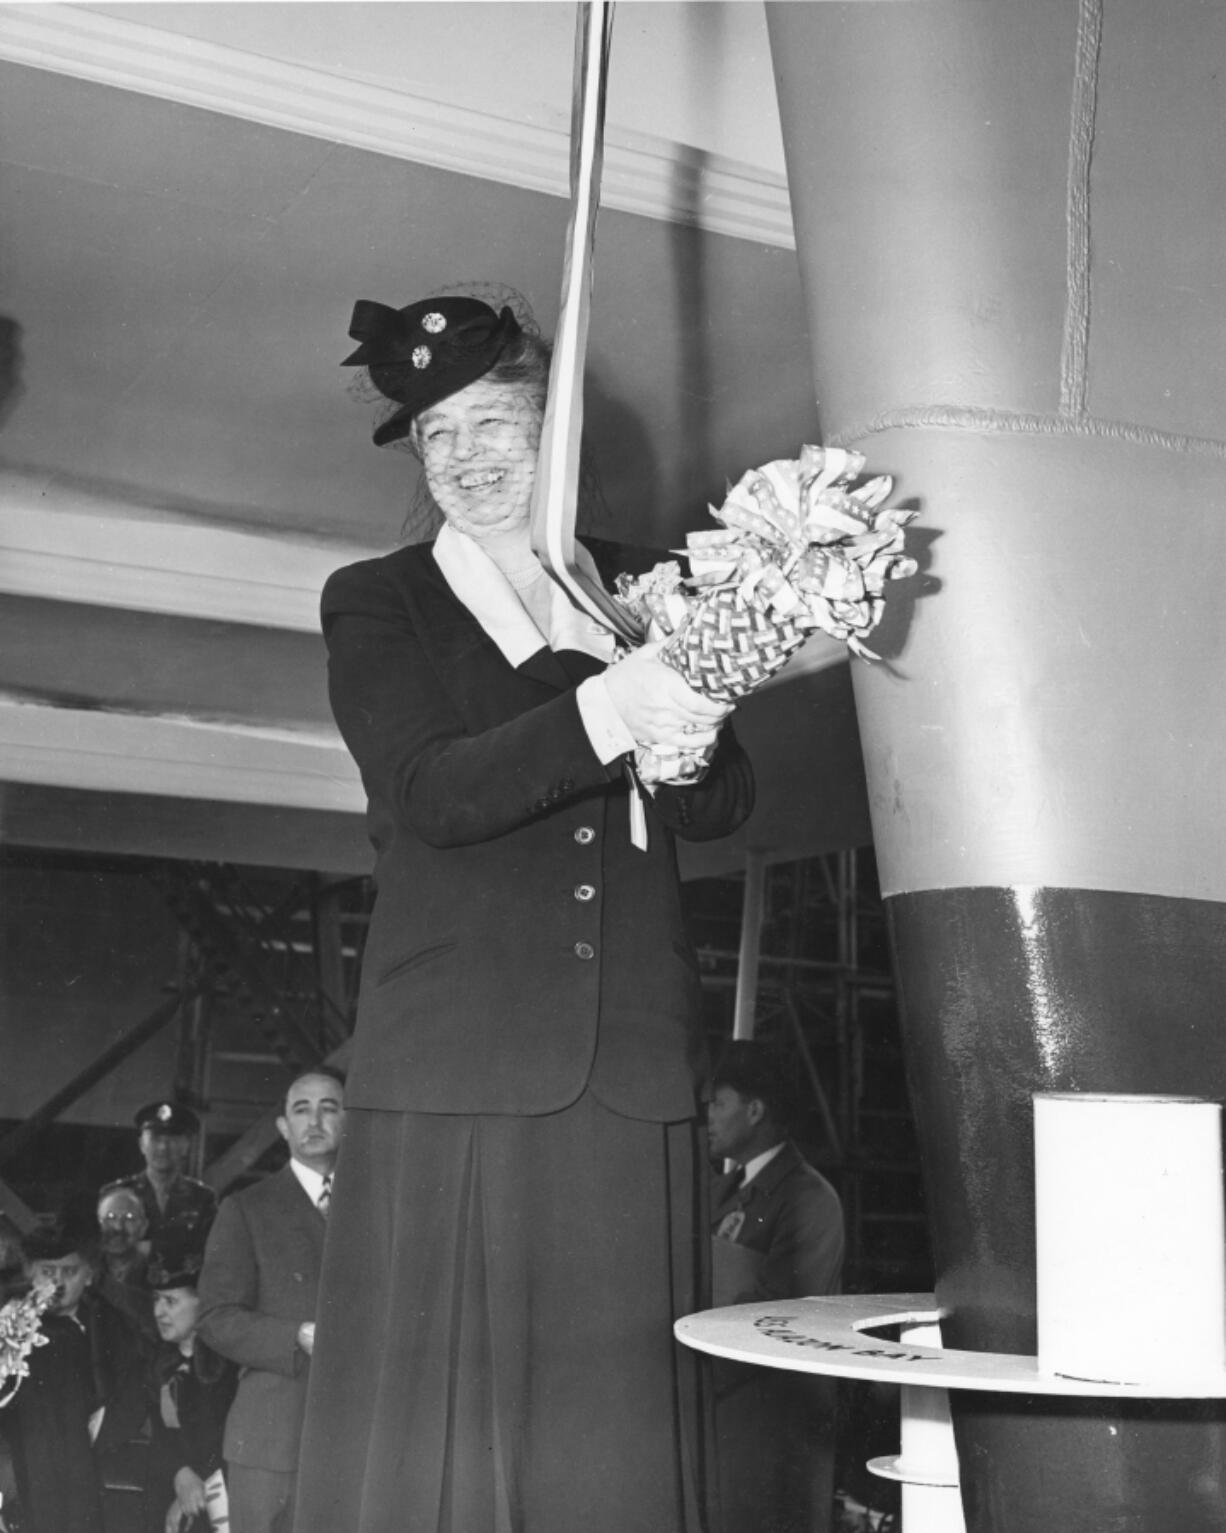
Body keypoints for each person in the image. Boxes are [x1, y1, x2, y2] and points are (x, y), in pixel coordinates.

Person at [293, 292, 755, 1533]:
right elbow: (432, 793)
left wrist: (685, 735)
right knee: (441, 1444)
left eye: (493, 421)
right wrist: (613, 709)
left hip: (630, 1067)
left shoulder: (647, 591)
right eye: (436, 435)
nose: (464, 456)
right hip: (461, 1067)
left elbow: (720, 809)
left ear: (554, 434)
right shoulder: (376, 600)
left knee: (605, 1447)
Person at [706, 1040, 846, 1533]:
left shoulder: (810, 1200)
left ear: (755, 1109)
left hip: (770, 1431)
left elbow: (776, 1318)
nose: (709, 1116)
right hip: (724, 1420)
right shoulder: (724, 1193)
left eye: (717, 1102)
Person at [197, 1070, 344, 1533]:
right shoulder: (246, 1209)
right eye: (301, 1109)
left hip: (356, 1436)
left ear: (351, 1121)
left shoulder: (379, 1206)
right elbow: (216, 1318)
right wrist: (294, 1336)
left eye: (329, 1107)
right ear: (283, 1126)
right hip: (272, 1440)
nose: (314, 1120)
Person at [3, 1213, 147, 1533]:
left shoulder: (111, 1325)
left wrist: (104, 1427)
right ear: (29, 1272)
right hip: (22, 1458)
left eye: (69, 1271)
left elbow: (135, 1387)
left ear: (90, 1275)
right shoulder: (11, 1326)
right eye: (47, 1271)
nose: (57, 1282)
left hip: (90, 1459)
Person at [144, 1242, 237, 1533]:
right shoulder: (159, 1362)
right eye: (156, 1299)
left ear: (202, 1302)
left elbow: (227, 1439)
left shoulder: (227, 1366)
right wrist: (179, 1472)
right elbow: (159, 1432)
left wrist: (196, 1480)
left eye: (171, 1302)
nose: (159, 1311)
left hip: (222, 1490)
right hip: (173, 1485)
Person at [100, 1101, 218, 1244]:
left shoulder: (203, 1198)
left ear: (186, 1146)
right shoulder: (115, 1194)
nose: (163, 1147)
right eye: (155, 1139)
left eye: (172, 1139)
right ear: (142, 1145)